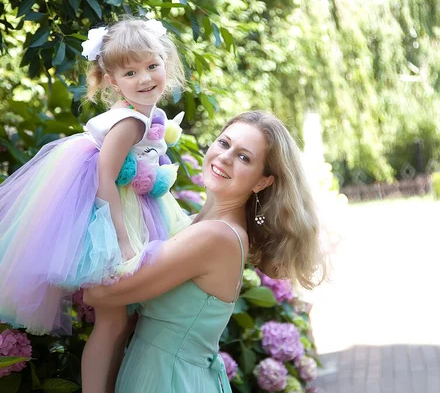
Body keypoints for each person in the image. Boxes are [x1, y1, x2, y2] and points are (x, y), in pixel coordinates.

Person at [0, 18, 190, 393]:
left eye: (152, 66)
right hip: (107, 211)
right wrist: (122, 240)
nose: (145, 78)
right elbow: (103, 177)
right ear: (112, 81)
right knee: (112, 321)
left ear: (166, 62)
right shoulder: (129, 122)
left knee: (118, 320)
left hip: (123, 203)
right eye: (131, 72)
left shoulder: (148, 115)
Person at [85, 111, 326, 393]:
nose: (225, 157)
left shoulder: (216, 236)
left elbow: (99, 294)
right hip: (159, 373)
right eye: (224, 144)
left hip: (169, 380)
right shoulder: (193, 225)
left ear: (262, 182)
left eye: (244, 157)